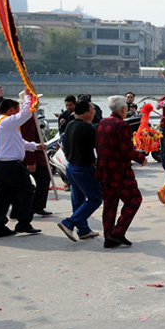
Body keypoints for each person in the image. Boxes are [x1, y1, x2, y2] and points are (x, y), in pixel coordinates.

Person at [0, 92, 45, 238]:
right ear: (12, 110)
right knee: (27, 191)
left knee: (3, 197)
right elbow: (27, 113)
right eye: (17, 108)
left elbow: (19, 143)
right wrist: (28, 96)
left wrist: (35, 146)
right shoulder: (7, 122)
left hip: (1, 166)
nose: (19, 111)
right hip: (10, 166)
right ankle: (23, 222)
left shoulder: (3, 124)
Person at [96, 95, 147, 248]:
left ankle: (108, 238)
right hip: (120, 171)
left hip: (104, 171)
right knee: (134, 200)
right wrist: (141, 158)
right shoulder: (122, 125)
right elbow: (127, 150)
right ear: (124, 109)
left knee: (110, 204)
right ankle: (117, 232)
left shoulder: (102, 123)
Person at [56, 100, 102, 242]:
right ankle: (69, 223)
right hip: (82, 169)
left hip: (71, 167)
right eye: (92, 109)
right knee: (95, 198)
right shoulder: (85, 128)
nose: (94, 112)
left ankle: (83, 230)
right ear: (86, 112)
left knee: (78, 201)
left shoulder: (70, 125)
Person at [20, 114, 51, 217]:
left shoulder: (31, 116)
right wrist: (31, 160)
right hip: (32, 156)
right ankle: (29, 208)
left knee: (43, 180)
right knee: (41, 180)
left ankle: (37, 206)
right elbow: (28, 138)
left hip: (35, 154)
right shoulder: (27, 118)